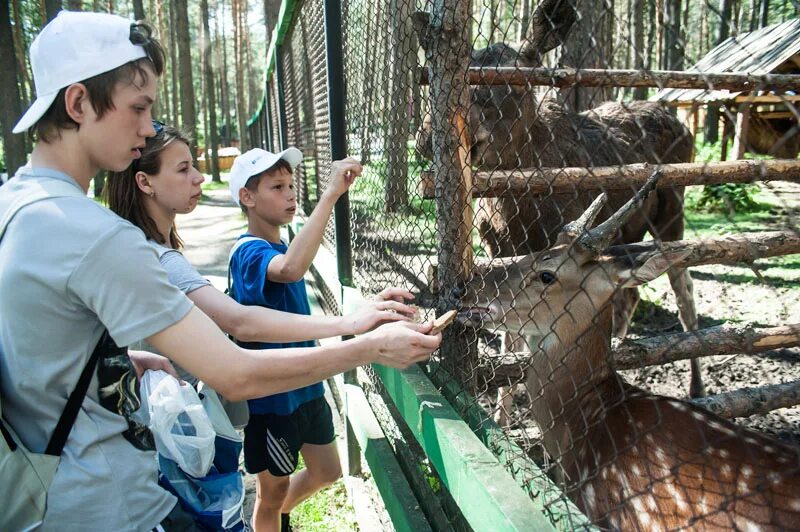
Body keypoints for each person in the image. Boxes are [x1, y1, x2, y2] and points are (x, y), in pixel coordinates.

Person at [0, 11, 440, 531]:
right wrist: (370, 346)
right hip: (111, 506)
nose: (147, 129)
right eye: (138, 108)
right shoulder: (96, 236)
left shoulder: (16, 204)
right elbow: (234, 369)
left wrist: (122, 358)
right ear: (78, 103)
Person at [105, 122, 418, 385]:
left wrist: (355, 320)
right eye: (184, 169)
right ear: (145, 182)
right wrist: (353, 327)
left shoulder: (150, 249)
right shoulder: (160, 258)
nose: (199, 177)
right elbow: (240, 321)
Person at [227, 147, 366, 532]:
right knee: (270, 494)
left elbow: (290, 261)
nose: (290, 194)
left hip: (305, 388)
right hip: (273, 400)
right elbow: (289, 270)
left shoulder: (277, 246)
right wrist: (331, 195)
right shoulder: (248, 252)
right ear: (248, 197)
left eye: (290, 185)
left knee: (327, 471)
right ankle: (269, 518)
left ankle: (274, 518)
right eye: (277, 187)